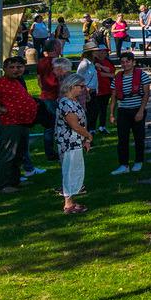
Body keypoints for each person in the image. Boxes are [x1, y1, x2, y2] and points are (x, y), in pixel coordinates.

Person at [0, 56, 38, 192]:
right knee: (8, 153)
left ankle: (14, 180)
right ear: (5, 69)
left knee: (19, 153)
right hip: (10, 122)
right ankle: (3, 184)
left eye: (19, 67)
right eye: (12, 67)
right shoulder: (0, 83)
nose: (16, 70)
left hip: (23, 122)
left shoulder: (18, 81)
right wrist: (1, 109)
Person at [56, 73, 92, 213]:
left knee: (75, 170)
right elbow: (75, 125)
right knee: (70, 171)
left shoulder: (74, 101)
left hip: (76, 141)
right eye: (81, 86)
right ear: (72, 86)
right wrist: (89, 136)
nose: (83, 89)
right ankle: (68, 204)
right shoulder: (66, 103)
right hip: (69, 142)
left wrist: (85, 140)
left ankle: (71, 200)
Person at [110, 50, 151, 174]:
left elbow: (146, 94)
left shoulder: (142, 75)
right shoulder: (117, 78)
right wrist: (112, 114)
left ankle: (138, 161)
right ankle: (124, 165)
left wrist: (141, 111)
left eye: (128, 61)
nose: (125, 64)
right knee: (122, 139)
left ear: (133, 62)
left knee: (139, 137)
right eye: (122, 62)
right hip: (123, 111)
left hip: (137, 109)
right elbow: (113, 97)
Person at [35, 40, 65, 161]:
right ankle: (52, 152)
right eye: (59, 46)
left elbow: (38, 80)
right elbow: (61, 79)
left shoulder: (41, 62)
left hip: (45, 96)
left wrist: (44, 89)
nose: (61, 47)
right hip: (54, 97)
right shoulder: (57, 62)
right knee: (53, 125)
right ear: (55, 48)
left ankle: (50, 151)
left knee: (50, 125)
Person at [86, 42, 114, 134]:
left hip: (106, 89)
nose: (103, 54)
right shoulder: (92, 62)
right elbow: (96, 74)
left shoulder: (109, 62)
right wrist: (105, 73)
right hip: (96, 90)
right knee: (94, 110)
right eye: (101, 52)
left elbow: (113, 74)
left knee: (104, 109)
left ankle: (102, 126)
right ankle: (92, 128)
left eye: (105, 52)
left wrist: (104, 72)